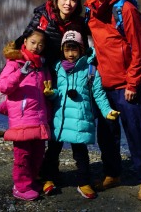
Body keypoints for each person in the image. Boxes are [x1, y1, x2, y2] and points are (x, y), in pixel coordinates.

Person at [3, 0, 91, 191]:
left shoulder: (79, 22)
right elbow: (28, 39)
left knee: (63, 122)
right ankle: (47, 173)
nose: (68, 3)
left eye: (73, 0)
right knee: (49, 125)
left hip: (66, 74)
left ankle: (57, 173)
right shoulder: (43, 15)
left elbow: (85, 48)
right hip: (43, 74)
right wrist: (13, 61)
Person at [84, 0, 141, 202]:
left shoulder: (125, 9)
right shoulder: (89, 10)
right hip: (102, 86)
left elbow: (139, 49)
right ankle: (112, 174)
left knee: (135, 133)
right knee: (106, 135)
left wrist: (133, 83)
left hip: (126, 85)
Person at [40, 30, 120, 199]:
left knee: (81, 154)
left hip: (79, 119)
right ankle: (48, 179)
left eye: (74, 49)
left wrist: (107, 111)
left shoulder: (90, 70)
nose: (70, 54)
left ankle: (84, 182)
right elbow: (56, 92)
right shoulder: (57, 68)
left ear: (82, 49)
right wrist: (50, 93)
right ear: (62, 50)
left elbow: (98, 94)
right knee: (52, 151)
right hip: (60, 118)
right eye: (67, 49)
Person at [0, 29, 52, 201]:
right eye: (33, 42)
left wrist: (50, 97)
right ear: (25, 42)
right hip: (21, 118)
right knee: (22, 155)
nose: (36, 47)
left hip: (40, 118)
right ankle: (20, 187)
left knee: (38, 153)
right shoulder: (15, 63)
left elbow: (45, 91)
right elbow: (3, 86)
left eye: (40, 44)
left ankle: (31, 181)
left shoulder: (42, 66)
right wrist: (20, 74)